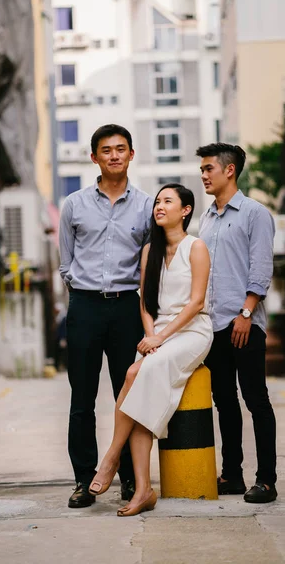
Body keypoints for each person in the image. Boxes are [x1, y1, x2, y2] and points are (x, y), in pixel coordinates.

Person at [87, 184, 213, 516]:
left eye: (167, 201)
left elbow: (197, 302)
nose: (159, 206)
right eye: (157, 201)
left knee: (134, 373)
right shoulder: (149, 252)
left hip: (191, 330)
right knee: (141, 389)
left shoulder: (195, 247)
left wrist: (159, 339)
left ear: (185, 210)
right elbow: (145, 301)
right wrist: (150, 334)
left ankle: (111, 457)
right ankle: (143, 490)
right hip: (157, 333)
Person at [59, 124, 153, 508]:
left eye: (120, 149)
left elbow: (151, 264)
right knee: (81, 398)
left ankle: (130, 481)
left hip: (127, 307)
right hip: (84, 306)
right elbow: (65, 261)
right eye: (106, 150)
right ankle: (84, 480)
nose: (114, 155)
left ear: (132, 154)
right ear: (93, 157)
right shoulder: (74, 205)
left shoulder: (147, 206)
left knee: (127, 396)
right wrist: (83, 293)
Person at [197, 142, 277, 504]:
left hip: (243, 322)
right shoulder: (206, 218)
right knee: (224, 402)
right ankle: (232, 475)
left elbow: (261, 268)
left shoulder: (254, 213)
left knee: (255, 399)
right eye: (202, 169)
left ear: (229, 170)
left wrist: (245, 313)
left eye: (208, 168)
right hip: (212, 326)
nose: (203, 175)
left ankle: (267, 480)